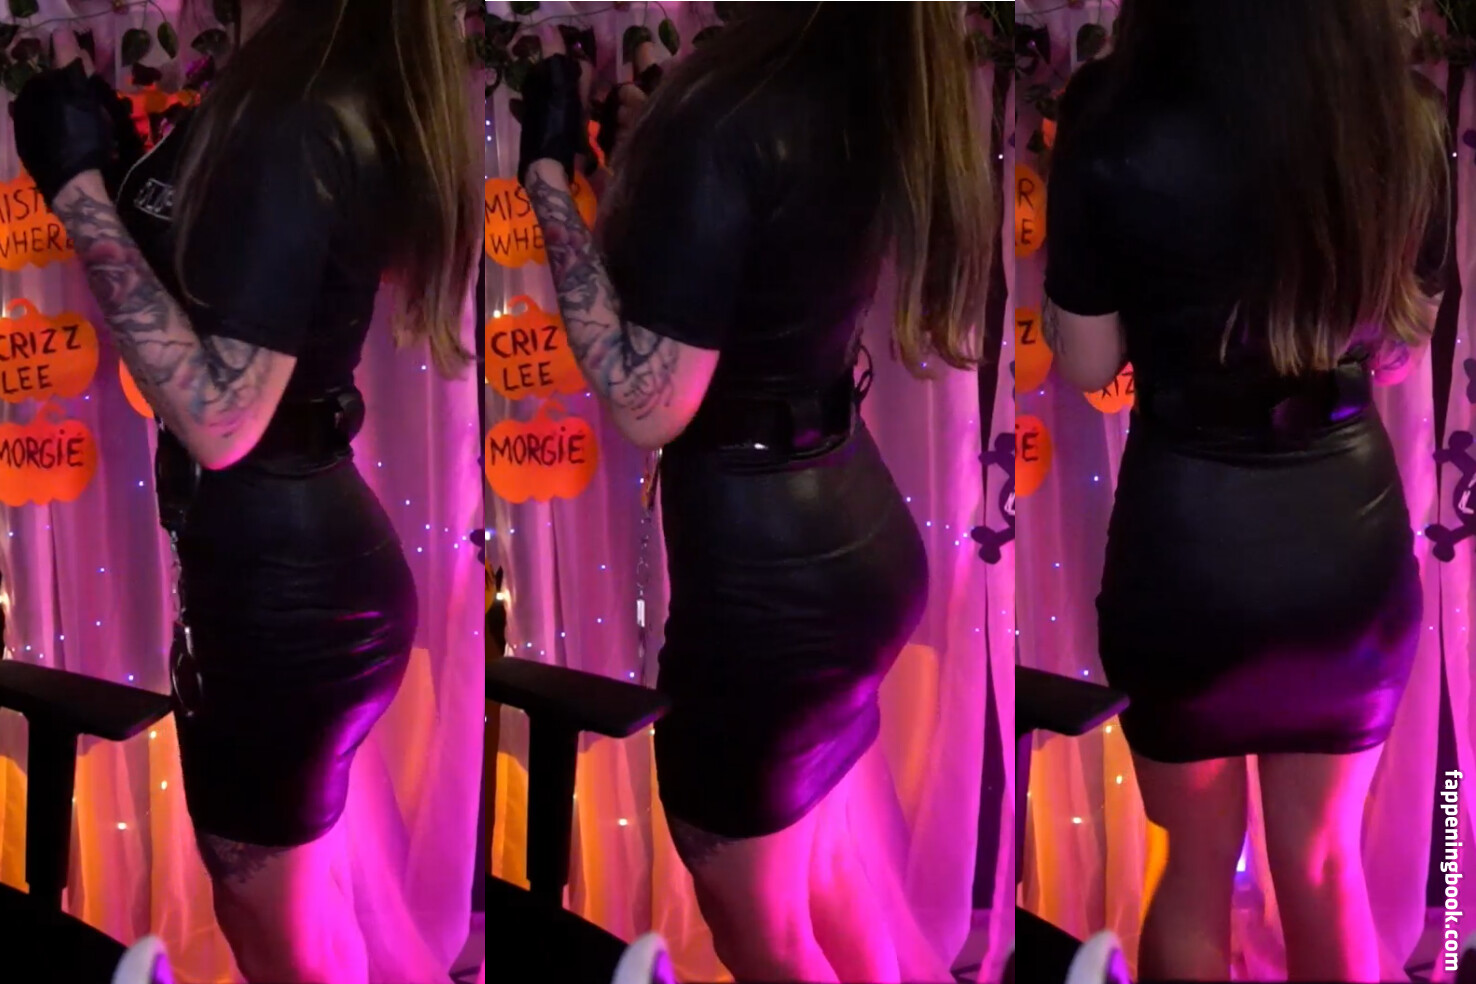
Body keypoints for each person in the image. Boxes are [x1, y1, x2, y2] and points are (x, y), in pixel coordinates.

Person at [515, 6, 991, 983]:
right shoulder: (859, 77)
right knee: (839, 886)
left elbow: (648, 402)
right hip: (853, 539)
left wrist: (548, 184)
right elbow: (756, 269)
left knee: (763, 930)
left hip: (772, 589)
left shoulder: (736, 112)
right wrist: (655, 154)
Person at [8, 1, 478, 980]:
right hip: (289, 569)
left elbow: (221, 419)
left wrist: (80, 192)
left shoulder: (299, 112)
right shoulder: (295, 86)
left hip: (288, 593)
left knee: (275, 931)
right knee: (287, 910)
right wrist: (125, 176)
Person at [1042, 0, 1448, 980]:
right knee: (1324, 866)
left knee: (1193, 867)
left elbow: (1089, 364)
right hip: (1342, 540)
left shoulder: (1112, 109)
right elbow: (1402, 347)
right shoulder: (1402, 113)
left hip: (1189, 539)